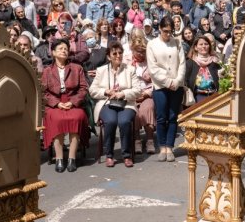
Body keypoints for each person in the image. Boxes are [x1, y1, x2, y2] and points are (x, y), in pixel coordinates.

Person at [89, 42, 140, 168]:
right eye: (114, 53)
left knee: (124, 122)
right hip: (107, 103)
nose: (118, 55)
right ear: (108, 56)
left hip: (126, 103)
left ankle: (126, 155)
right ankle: (109, 155)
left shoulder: (130, 69)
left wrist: (122, 93)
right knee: (111, 121)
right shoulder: (101, 70)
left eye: (120, 53)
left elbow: (138, 90)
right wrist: (106, 92)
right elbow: (92, 90)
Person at [42, 38, 88, 173]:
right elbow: (43, 92)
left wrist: (72, 102)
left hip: (72, 101)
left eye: (66, 49)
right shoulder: (47, 71)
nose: (64, 51)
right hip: (55, 103)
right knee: (56, 119)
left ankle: (72, 158)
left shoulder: (77, 68)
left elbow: (83, 88)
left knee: (77, 117)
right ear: (53, 53)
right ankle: (59, 158)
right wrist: (57, 103)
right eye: (60, 49)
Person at [147, 16, 186, 162]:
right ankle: (162, 146)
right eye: (165, 31)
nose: (168, 34)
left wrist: (177, 81)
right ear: (159, 29)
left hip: (176, 85)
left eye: (171, 32)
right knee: (161, 117)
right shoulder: (152, 44)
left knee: (172, 116)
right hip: (160, 85)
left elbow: (182, 63)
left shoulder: (177, 42)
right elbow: (153, 68)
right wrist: (168, 81)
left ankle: (170, 146)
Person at [184, 35, 221, 102]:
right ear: (195, 47)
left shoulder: (215, 62)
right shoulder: (190, 63)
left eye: (206, 44)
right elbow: (185, 81)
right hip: (197, 98)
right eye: (201, 44)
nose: (204, 46)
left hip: (215, 97)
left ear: (209, 46)